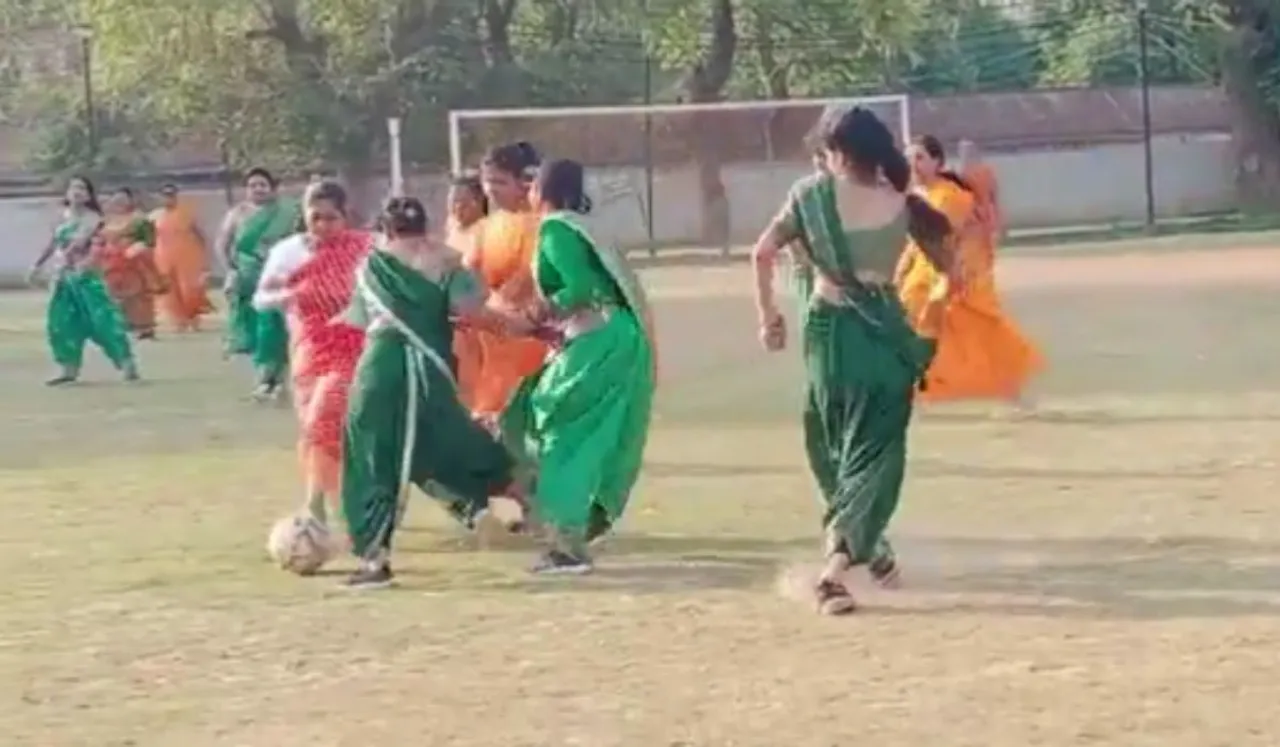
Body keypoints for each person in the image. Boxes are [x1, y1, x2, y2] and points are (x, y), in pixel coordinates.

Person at [750, 107, 957, 615]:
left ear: (837, 152)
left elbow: (761, 253)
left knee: (830, 440)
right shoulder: (902, 205)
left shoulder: (810, 196)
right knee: (876, 450)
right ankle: (865, 552)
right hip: (886, 334)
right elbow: (952, 271)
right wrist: (925, 317)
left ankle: (837, 567)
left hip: (829, 335)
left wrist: (769, 318)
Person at [340, 196, 539, 590]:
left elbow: (362, 321)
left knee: (372, 455)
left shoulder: (370, 267)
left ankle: (373, 559)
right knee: (456, 443)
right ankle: (534, 509)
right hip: (429, 369)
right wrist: (522, 325)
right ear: (424, 227)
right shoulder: (447, 260)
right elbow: (472, 312)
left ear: (386, 229)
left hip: (378, 370)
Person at [499, 160, 657, 575]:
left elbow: (580, 288)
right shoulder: (584, 225)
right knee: (576, 428)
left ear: (540, 189)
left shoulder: (555, 229)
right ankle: (571, 528)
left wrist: (535, 315)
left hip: (599, 339)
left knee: (561, 431)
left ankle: (565, 543)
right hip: (613, 336)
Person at [253, 181, 370, 529]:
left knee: (324, 418)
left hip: (354, 349)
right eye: (314, 218)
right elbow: (261, 298)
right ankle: (338, 500)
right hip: (308, 352)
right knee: (316, 431)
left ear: (346, 216)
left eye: (331, 218)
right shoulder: (289, 252)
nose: (322, 226)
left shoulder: (366, 248)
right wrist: (293, 294)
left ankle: (316, 504)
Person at [898, 135, 1042, 406]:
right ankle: (912, 389)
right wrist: (901, 273)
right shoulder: (922, 196)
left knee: (982, 335)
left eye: (920, 158)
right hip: (928, 277)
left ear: (937, 162)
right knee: (914, 328)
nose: (913, 165)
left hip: (955, 279)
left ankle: (1011, 393)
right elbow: (915, 244)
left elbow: (936, 241)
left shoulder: (948, 197)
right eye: (909, 159)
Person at [454, 142, 549, 421]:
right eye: (487, 181)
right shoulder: (486, 227)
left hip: (537, 340)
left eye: (500, 181)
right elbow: (466, 279)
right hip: (493, 344)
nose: (491, 189)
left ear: (527, 181)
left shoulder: (547, 225)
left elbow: (536, 281)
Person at [27, 176, 140, 385]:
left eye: (81, 188)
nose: (76, 192)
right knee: (61, 324)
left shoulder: (93, 219)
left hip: (86, 278)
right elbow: (52, 245)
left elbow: (95, 246)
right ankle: (68, 369)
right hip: (63, 279)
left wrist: (85, 264)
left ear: (88, 195)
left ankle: (126, 363)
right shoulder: (61, 218)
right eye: (73, 188)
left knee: (103, 321)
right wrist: (36, 266)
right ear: (67, 193)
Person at [218, 168, 299, 400]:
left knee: (277, 331)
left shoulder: (288, 213)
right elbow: (223, 243)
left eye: (263, 184)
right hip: (247, 279)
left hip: (278, 279)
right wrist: (231, 270)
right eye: (253, 185)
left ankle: (277, 380)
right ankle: (264, 378)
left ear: (273, 188)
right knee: (254, 333)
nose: (258, 189)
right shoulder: (238, 214)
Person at [97, 187, 165, 339]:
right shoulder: (106, 220)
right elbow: (99, 240)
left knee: (138, 296)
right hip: (110, 263)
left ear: (131, 200)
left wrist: (136, 249)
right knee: (113, 295)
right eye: (116, 198)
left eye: (124, 198)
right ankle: (120, 326)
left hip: (134, 262)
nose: (120, 201)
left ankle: (144, 328)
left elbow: (149, 240)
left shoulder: (140, 219)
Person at [151, 183, 214, 332]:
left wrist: (206, 256)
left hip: (187, 257)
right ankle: (179, 320)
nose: (168, 198)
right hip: (163, 257)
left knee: (190, 289)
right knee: (170, 291)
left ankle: (193, 317)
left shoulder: (187, 213)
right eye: (165, 195)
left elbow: (201, 235)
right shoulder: (155, 216)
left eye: (171, 195)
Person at [957, 139, 1004, 248]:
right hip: (970, 216)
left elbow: (994, 195)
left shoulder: (986, 172)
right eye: (963, 151)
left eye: (968, 151)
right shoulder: (960, 174)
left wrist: (997, 217)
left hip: (985, 214)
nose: (966, 154)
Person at [445, 174, 488, 258]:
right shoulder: (452, 224)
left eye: (462, 202)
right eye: (452, 202)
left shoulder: (490, 231)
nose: (457, 207)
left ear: (479, 201)